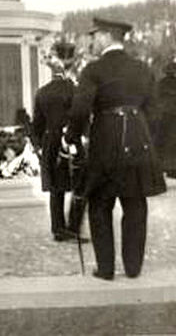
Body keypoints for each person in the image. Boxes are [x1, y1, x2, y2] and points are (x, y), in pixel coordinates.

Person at [65, 18, 166, 280]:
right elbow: (155, 113)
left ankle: (106, 268)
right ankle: (133, 268)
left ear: (108, 36)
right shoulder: (142, 68)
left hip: (105, 143)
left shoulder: (93, 70)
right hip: (138, 141)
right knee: (135, 206)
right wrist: (145, 139)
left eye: (96, 35)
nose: (93, 40)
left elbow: (80, 110)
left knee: (100, 205)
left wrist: (72, 137)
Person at [32, 42, 88, 243]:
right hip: (72, 141)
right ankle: (73, 227)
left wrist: (39, 146)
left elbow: (36, 125)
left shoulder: (42, 92)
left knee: (56, 188)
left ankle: (58, 228)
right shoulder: (75, 90)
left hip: (50, 143)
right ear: (70, 65)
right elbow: (81, 118)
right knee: (80, 185)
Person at [157, 61, 176, 178]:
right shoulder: (163, 84)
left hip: (166, 116)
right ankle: (170, 168)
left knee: (168, 143)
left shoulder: (161, 84)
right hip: (168, 116)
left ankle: (170, 167)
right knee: (169, 142)